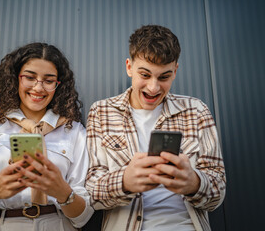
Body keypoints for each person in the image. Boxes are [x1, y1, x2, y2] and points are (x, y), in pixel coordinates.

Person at [85, 25, 226, 231]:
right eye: (145, 75)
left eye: (164, 77)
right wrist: (124, 181)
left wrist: (194, 183)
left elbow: (218, 192)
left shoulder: (196, 110)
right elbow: (90, 192)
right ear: (129, 67)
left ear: (175, 71)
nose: (153, 87)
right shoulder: (101, 111)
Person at [0, 42, 94, 230]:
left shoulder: (74, 131)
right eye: (30, 77)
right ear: (15, 78)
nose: (38, 87)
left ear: (58, 86)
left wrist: (63, 192)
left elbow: (82, 218)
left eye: (49, 80)